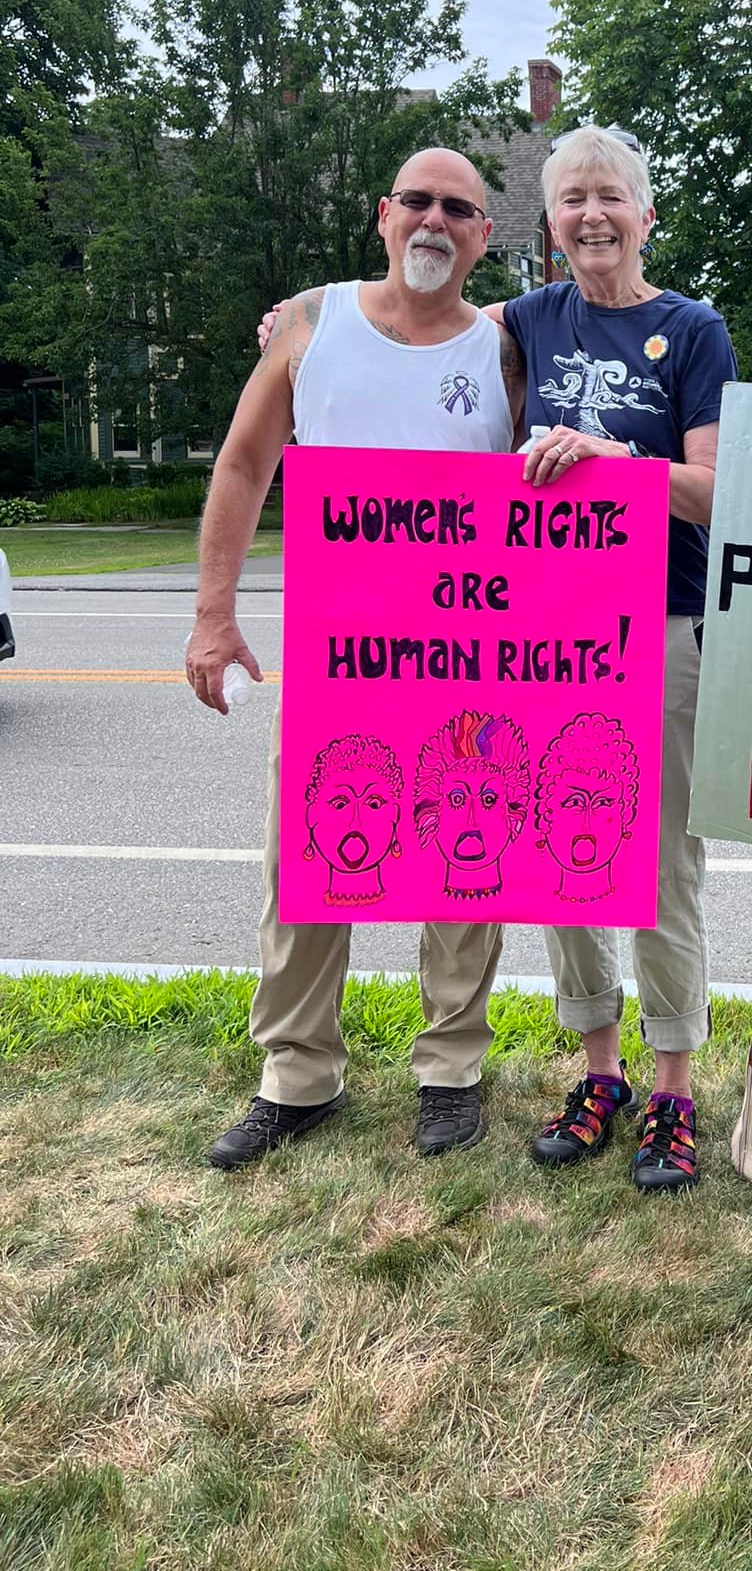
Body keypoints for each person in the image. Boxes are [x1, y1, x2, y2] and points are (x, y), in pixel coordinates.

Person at [188, 147, 518, 1169]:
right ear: (383, 214)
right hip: (340, 650)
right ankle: (297, 1075)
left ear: (483, 235)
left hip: (466, 654)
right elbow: (244, 462)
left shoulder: (507, 348)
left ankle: (451, 1068)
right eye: (417, 201)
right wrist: (213, 614)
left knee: (466, 857)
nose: (434, 220)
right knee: (310, 857)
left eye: (457, 208)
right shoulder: (309, 322)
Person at [482, 126, 736, 1194]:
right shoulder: (528, 320)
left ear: (646, 215)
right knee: (565, 852)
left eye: (610, 197)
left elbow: (716, 493)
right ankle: (601, 1073)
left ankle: (673, 1086)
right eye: (572, 199)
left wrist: (616, 460)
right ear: (550, 224)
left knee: (664, 864)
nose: (592, 215)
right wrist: (302, 317)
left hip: (666, 624)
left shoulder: (694, 330)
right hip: (550, 632)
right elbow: (405, 318)